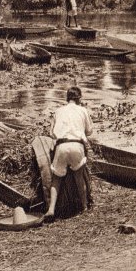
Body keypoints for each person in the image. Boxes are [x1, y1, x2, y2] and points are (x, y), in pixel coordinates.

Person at [43, 86, 92, 222]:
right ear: (79, 99)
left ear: (67, 98)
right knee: (79, 177)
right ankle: (84, 206)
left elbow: (52, 133)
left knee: (56, 179)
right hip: (77, 145)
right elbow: (89, 131)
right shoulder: (83, 110)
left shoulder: (58, 111)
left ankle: (51, 209)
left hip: (62, 145)